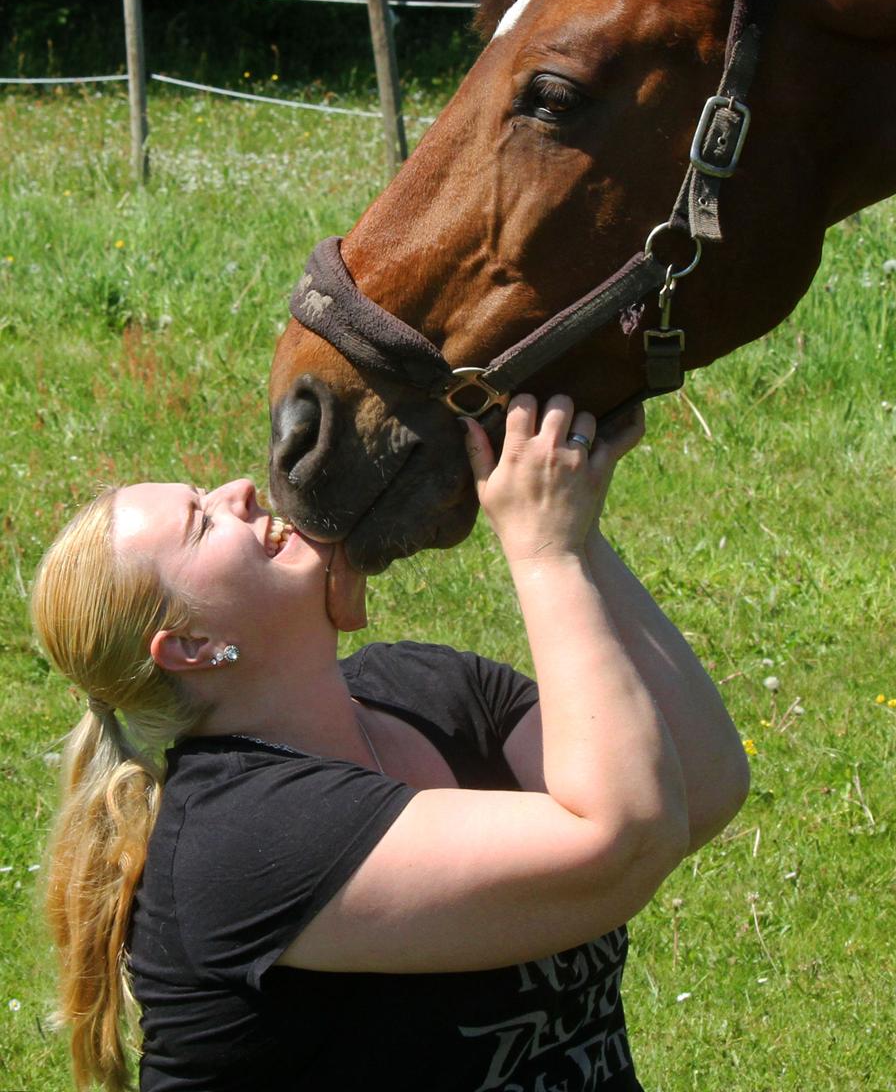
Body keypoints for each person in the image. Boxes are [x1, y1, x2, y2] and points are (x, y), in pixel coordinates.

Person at [32, 395, 749, 1092]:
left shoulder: (430, 689)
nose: (241, 490)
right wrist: (547, 556)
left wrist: (578, 530)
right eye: (201, 522)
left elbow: (701, 784)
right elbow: (622, 840)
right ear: (191, 645)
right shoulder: (238, 841)